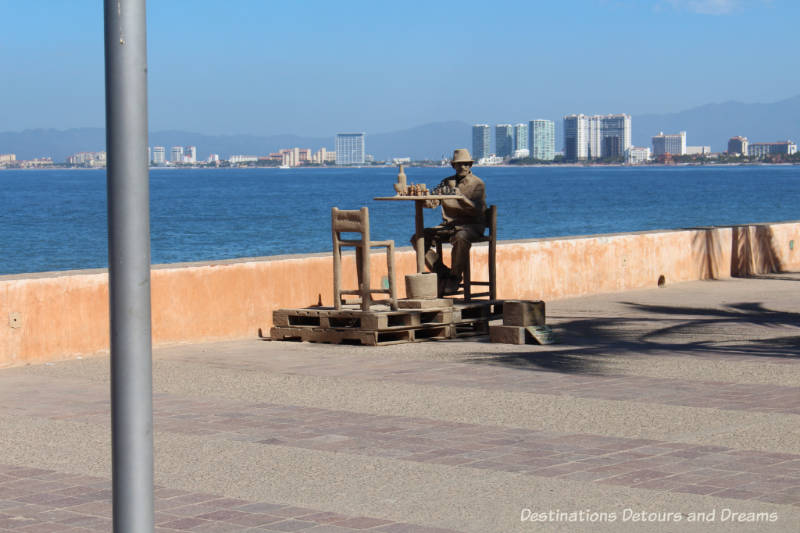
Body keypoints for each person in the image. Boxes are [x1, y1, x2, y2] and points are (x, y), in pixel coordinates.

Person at [416, 148, 487, 296]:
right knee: (418, 238)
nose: (463, 167)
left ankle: (455, 277)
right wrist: (423, 199)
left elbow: (479, 210)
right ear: (453, 165)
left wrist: (462, 198)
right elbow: (433, 202)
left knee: (461, 237)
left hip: (471, 226)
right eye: (459, 164)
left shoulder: (477, 184)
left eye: (466, 164)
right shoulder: (446, 183)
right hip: (449, 226)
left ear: (470, 165)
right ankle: (443, 273)